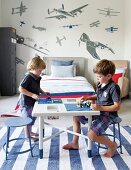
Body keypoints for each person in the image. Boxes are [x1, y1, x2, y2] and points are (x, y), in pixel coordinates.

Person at [63, 59, 121, 158]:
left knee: (91, 135)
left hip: (108, 114)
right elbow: (98, 96)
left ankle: (112, 145)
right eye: (97, 76)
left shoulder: (114, 88)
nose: (97, 78)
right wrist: (88, 97)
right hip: (97, 111)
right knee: (76, 116)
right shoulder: (100, 84)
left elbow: (117, 106)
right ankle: (74, 143)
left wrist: (100, 107)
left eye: (99, 76)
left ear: (109, 76)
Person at [19, 56, 50, 141]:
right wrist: (32, 95)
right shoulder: (28, 77)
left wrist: (43, 92)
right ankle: (27, 136)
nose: (41, 72)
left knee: (32, 117)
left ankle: (30, 132)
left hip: (32, 102)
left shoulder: (36, 77)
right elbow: (21, 89)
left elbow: (37, 87)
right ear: (33, 68)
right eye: (40, 70)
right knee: (28, 119)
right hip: (26, 102)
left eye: (41, 71)